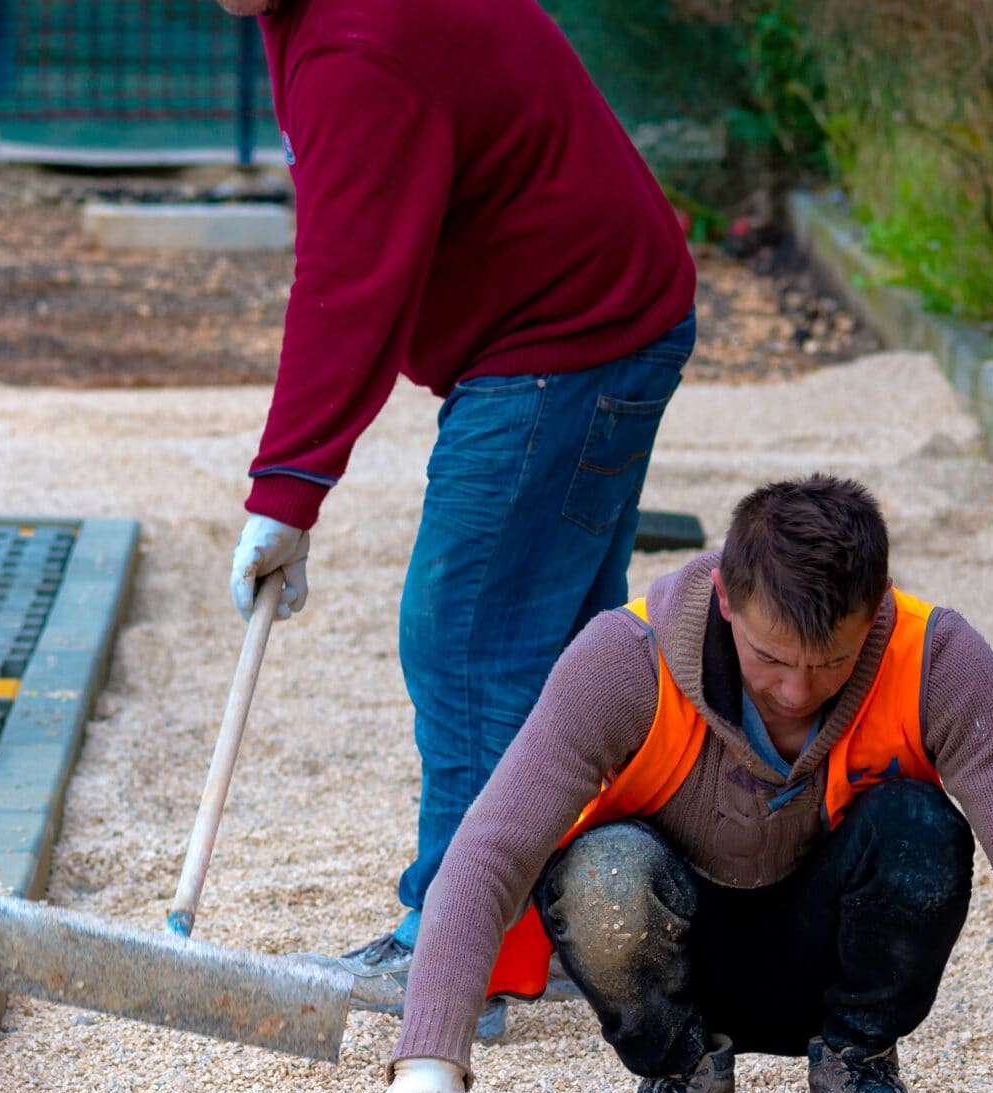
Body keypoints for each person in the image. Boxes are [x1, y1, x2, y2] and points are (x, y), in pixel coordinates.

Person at [363, 475, 993, 1093]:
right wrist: (428, 1068)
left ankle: (858, 1067)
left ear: (875, 611)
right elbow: (488, 852)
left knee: (921, 829)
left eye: (832, 662)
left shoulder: (938, 660)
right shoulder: (624, 660)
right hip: (677, 960)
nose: (796, 692)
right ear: (726, 603)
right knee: (603, 872)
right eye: (772, 660)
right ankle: (680, 1078)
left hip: (829, 954)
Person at [213, 0, 698, 1005]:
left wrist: (289, 484)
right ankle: (575, 926)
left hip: (564, 332)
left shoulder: (356, 45)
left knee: (467, 635)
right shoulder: (315, 19)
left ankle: (456, 948)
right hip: (606, 305)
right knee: (563, 648)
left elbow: (349, 281)